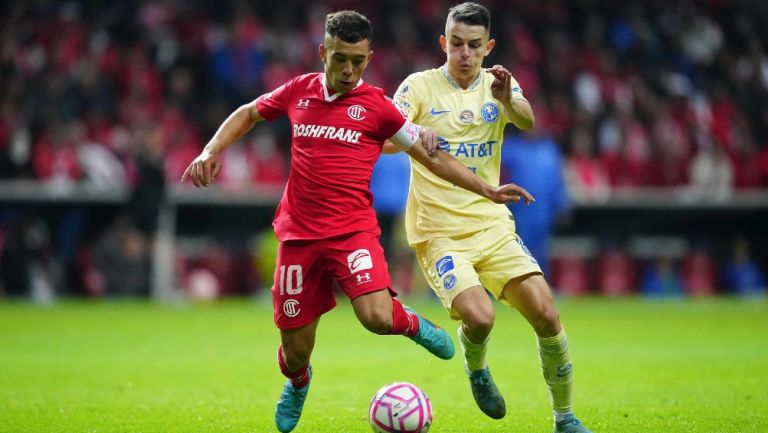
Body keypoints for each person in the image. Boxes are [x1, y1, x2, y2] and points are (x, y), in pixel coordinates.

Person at [181, 10, 533, 433]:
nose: (349, 70)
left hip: (352, 233)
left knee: (377, 318)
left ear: (369, 56)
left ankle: (414, 324)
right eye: (340, 58)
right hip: (298, 237)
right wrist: (209, 150)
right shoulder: (299, 91)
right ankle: (298, 382)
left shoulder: (378, 108)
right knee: (295, 351)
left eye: (358, 60)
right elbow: (249, 112)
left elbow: (432, 157)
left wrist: (487, 190)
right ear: (323, 52)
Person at [389, 3, 592, 432]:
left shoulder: (500, 84)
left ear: (488, 47)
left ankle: (565, 417)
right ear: (444, 43)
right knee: (480, 317)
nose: (464, 53)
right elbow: (385, 139)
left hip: (491, 223)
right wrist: (411, 134)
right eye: (457, 44)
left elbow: (529, 121)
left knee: (547, 314)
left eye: (474, 46)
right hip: (439, 232)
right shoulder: (418, 88)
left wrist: (507, 101)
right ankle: (477, 367)